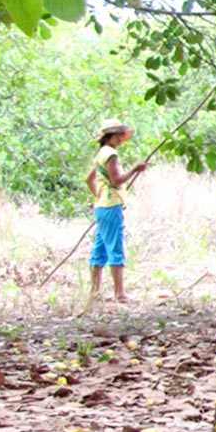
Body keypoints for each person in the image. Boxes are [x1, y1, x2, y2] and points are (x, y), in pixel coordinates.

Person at [86, 118, 146, 304]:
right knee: (115, 248)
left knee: (99, 249)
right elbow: (116, 181)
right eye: (119, 135)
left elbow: (88, 179)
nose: (121, 139)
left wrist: (98, 197)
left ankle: (94, 292)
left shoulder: (100, 154)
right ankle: (120, 294)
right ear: (111, 136)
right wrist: (135, 169)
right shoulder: (111, 155)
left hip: (101, 206)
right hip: (111, 206)